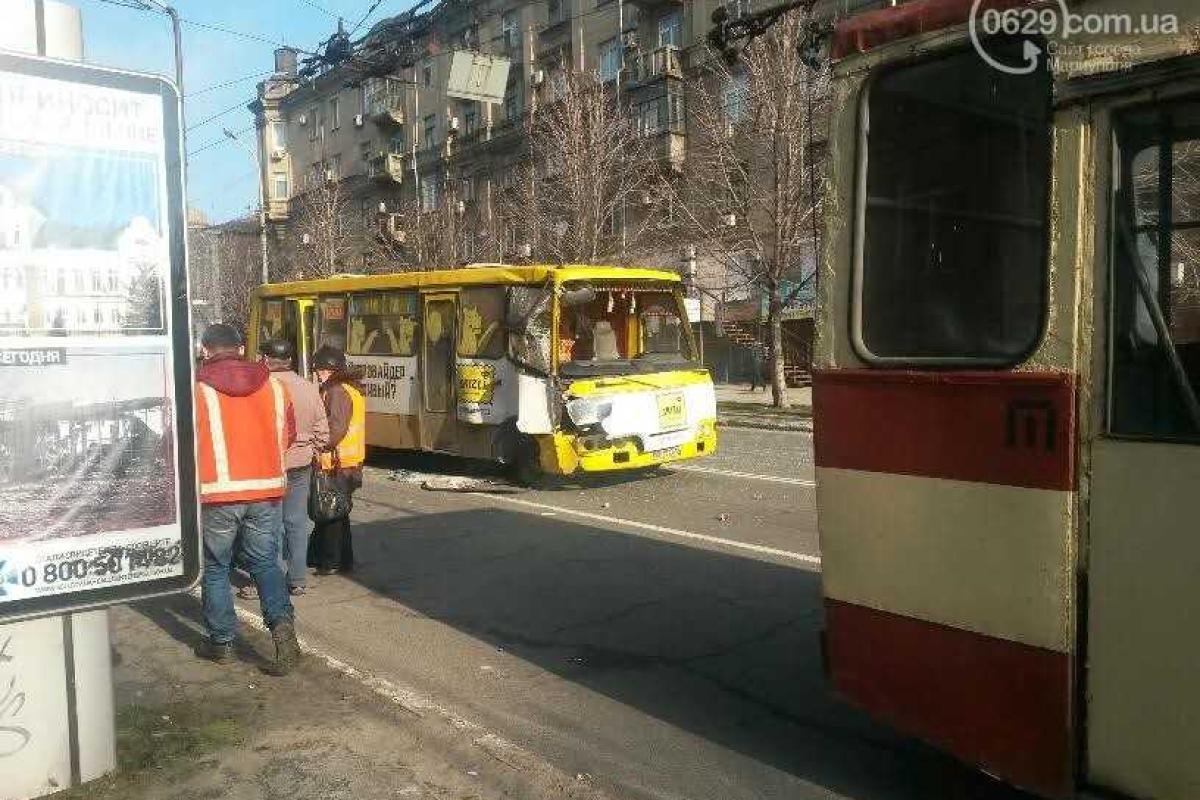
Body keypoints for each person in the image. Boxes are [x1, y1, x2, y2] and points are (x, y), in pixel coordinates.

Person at [194, 323, 301, 675]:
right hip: (266, 490)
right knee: (266, 563)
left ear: (206, 351)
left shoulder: (197, 389)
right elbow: (289, 434)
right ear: (241, 349)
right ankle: (282, 626)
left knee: (216, 568)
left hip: (217, 494)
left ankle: (222, 642)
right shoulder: (274, 385)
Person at [260, 338, 329, 596]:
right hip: (301, 463)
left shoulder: (263, 387)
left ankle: (272, 576)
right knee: (297, 521)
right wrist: (313, 449)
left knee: (271, 523)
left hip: (270, 464)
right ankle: (298, 578)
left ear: (266, 359)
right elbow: (323, 429)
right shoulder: (309, 388)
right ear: (290, 359)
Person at [309, 345, 365, 575]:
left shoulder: (337, 392)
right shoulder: (350, 389)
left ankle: (330, 561)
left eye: (320, 370)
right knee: (339, 512)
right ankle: (342, 559)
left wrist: (319, 445)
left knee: (330, 513)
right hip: (349, 462)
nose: (317, 374)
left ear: (330, 370)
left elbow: (336, 428)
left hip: (337, 462)